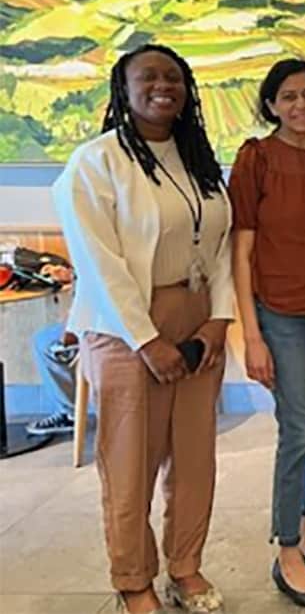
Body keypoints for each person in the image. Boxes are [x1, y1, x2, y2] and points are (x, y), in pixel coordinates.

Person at [52, 44, 233, 614]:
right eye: (148, 77)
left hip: (197, 318)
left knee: (195, 457)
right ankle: (135, 581)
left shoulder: (197, 160)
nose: (163, 86)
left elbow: (222, 244)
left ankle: (187, 568)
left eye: (174, 77)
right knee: (131, 462)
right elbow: (98, 261)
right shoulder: (96, 162)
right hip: (124, 326)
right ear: (123, 90)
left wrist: (220, 321)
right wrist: (147, 340)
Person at [228, 58, 305, 608]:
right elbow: (242, 249)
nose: (300, 106)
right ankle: (285, 551)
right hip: (275, 310)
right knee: (298, 425)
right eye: (288, 97)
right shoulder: (256, 159)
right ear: (271, 104)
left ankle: (304, 528)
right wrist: (251, 335)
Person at [27, 264, 79, 436]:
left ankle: (69, 413)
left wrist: (69, 328)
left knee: (44, 343)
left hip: (100, 328)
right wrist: (71, 275)